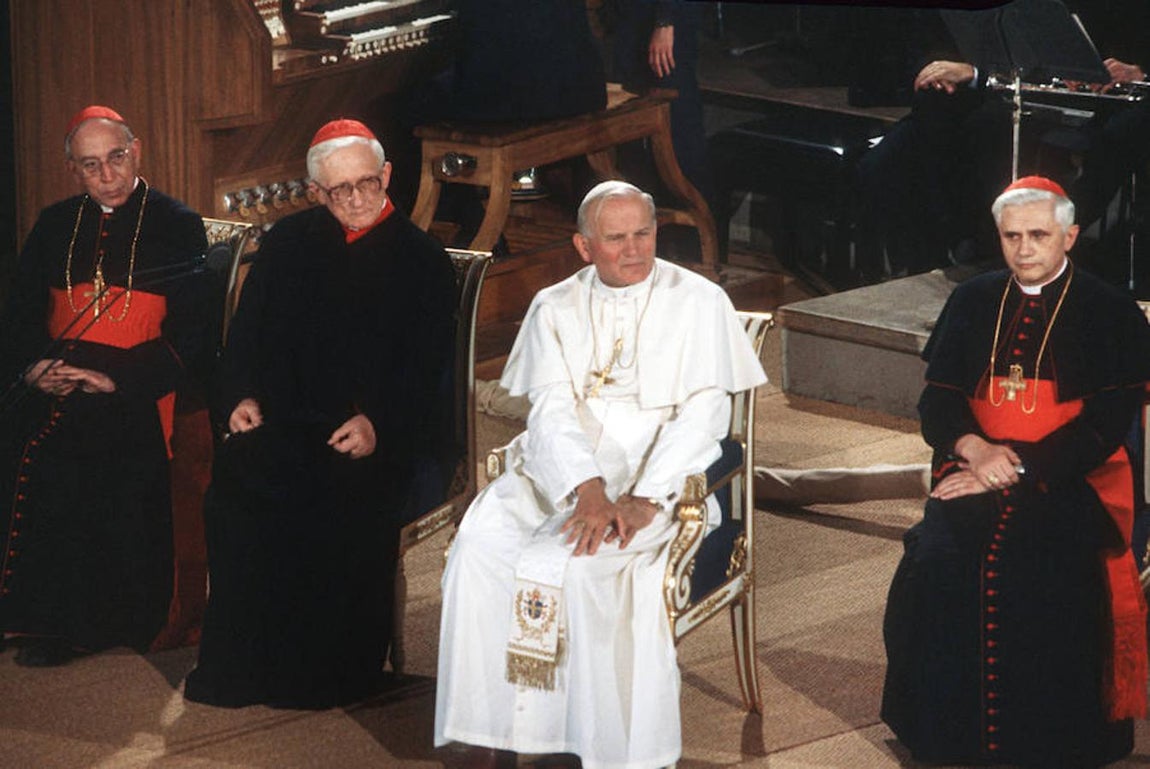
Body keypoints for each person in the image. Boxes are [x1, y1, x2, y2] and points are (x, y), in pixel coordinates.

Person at [434, 180, 766, 768]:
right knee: (480, 549)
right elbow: (552, 410)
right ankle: (490, 729)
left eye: (645, 233)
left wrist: (643, 498)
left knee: (593, 573)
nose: (636, 249)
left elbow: (705, 417)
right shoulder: (554, 305)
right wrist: (586, 489)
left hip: (665, 470)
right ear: (584, 247)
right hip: (561, 467)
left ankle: (595, 741)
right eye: (617, 239)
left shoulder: (699, 301)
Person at [183, 118, 456, 709]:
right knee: (238, 480)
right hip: (284, 419)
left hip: (372, 432)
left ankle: (327, 673)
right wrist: (241, 399)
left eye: (366, 183)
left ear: (387, 175)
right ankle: (241, 666)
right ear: (315, 192)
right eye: (339, 191)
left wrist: (378, 423)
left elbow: (428, 372)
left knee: (340, 490)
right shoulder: (286, 242)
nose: (356, 199)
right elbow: (246, 338)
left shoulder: (422, 259)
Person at [881, 175, 1150, 766]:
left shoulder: (1109, 309)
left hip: (1076, 479)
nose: (1024, 249)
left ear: (1070, 236)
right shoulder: (974, 299)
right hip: (973, 464)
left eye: (1038, 235)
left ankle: (1056, 743)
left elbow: (1105, 426)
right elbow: (939, 402)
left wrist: (1019, 466)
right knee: (940, 557)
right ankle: (946, 734)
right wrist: (976, 453)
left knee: (1040, 568)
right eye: (1011, 237)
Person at [0, 106, 211, 666]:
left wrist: (115, 377)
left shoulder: (176, 222)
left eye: (116, 158)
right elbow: (19, 313)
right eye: (90, 165)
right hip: (56, 371)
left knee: (79, 450)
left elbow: (194, 336)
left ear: (136, 151)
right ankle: (18, 610)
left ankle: (76, 626)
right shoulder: (53, 222)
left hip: (138, 386)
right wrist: (32, 368)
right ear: (74, 170)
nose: (107, 175)